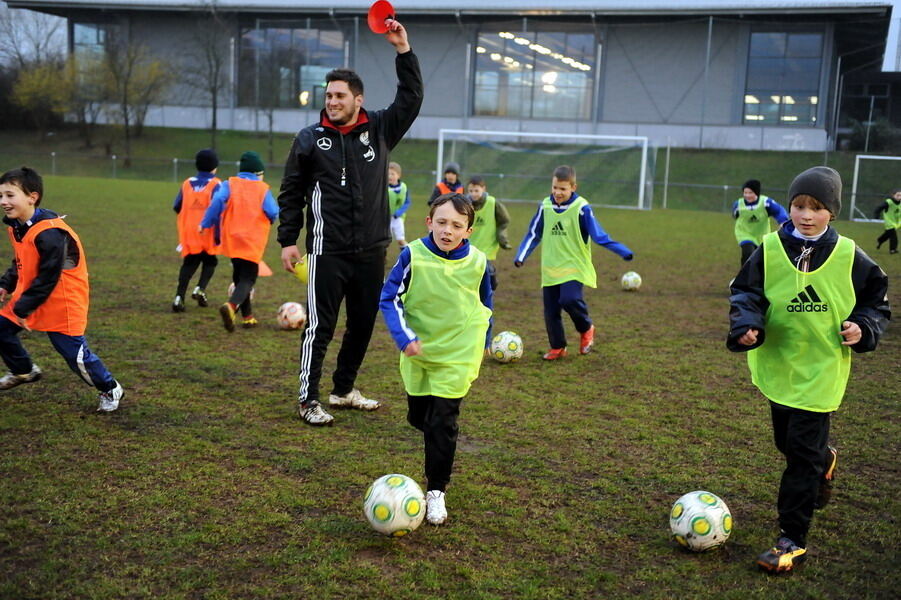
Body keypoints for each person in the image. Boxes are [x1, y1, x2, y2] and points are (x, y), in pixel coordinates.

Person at [727, 166, 890, 574]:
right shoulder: (769, 247)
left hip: (822, 369)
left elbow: (876, 300)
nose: (805, 215)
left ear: (831, 212)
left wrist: (864, 325)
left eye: (816, 208)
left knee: (800, 458)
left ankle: (791, 539)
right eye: (799, 205)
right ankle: (824, 460)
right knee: (789, 444)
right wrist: (747, 325)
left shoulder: (851, 255)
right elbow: (745, 291)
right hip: (778, 365)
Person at [277, 17, 423, 426]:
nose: (332, 101)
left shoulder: (378, 129)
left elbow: (411, 98)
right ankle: (308, 399)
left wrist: (402, 50)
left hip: (371, 250)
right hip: (327, 250)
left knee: (361, 326)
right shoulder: (309, 139)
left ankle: (342, 390)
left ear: (358, 99)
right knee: (320, 327)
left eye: (340, 95)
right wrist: (288, 240)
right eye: (328, 95)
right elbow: (291, 193)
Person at [379, 193, 493, 525]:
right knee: (420, 419)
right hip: (419, 350)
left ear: (468, 230)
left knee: (443, 422)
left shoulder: (479, 262)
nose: (448, 230)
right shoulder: (412, 255)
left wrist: (485, 337)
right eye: (442, 222)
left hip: (459, 353)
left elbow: (485, 302)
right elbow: (389, 299)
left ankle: (436, 491)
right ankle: (432, 438)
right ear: (429, 222)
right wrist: (405, 338)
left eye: (457, 225)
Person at [0, 167, 124, 412]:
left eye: (10, 195)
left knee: (74, 356)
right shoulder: (19, 226)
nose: (3, 201)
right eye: (1, 195)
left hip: (62, 301)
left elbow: (49, 276)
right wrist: (5, 284)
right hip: (32, 295)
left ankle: (110, 388)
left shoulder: (50, 233)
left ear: (32, 197)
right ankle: (24, 370)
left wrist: (23, 307)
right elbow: (22, 261)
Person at [514, 165, 634, 360]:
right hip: (551, 267)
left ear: (573, 187)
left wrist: (622, 251)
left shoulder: (581, 209)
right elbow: (534, 234)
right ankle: (558, 347)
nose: (557, 192)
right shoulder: (545, 206)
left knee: (569, 299)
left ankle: (586, 328)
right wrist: (521, 256)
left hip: (574, 265)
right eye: (554, 187)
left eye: (563, 189)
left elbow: (599, 235)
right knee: (551, 310)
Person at [201, 151, 278, 332]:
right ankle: (231, 306)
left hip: (232, 238)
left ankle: (248, 317)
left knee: (238, 276)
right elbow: (273, 211)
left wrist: (206, 222)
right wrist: (271, 218)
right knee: (248, 279)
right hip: (252, 240)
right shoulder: (262, 188)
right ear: (258, 173)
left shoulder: (230, 183)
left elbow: (217, 200)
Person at [172, 148, 221, 312]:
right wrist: (219, 235)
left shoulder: (186, 183)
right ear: (214, 167)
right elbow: (218, 208)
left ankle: (179, 297)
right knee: (210, 261)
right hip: (207, 232)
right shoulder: (216, 184)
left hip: (189, 231)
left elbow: (177, 206)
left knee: (189, 263)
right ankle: (200, 288)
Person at [466, 175, 511, 290]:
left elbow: (504, 220)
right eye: (471, 191)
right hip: (469, 245)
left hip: (487, 246)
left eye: (476, 190)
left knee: (486, 269)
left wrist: (502, 237)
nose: (473, 193)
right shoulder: (465, 204)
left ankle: (491, 283)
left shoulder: (493, 203)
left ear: (483, 189)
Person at [732, 179, 789, 267]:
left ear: (757, 193)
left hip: (762, 235)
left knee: (760, 258)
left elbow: (779, 211)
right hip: (744, 233)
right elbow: (735, 215)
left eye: (750, 193)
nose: (747, 195)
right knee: (748, 252)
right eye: (745, 193)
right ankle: (744, 277)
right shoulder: (738, 204)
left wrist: (782, 221)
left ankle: (758, 277)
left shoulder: (766, 203)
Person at [387, 161, 411, 249]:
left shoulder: (404, 187)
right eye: (388, 174)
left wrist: (399, 212)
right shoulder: (384, 187)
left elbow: (407, 202)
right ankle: (382, 259)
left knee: (400, 240)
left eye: (392, 174)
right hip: (385, 219)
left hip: (398, 219)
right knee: (385, 241)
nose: (390, 176)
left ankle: (408, 255)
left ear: (398, 175)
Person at [873, 187, 901, 254]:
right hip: (889, 222)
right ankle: (892, 250)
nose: (899, 197)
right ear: (893, 195)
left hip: (896, 222)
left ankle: (880, 240)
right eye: (898, 195)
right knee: (894, 237)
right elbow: (878, 208)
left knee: (887, 235)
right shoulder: (888, 202)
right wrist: (877, 215)